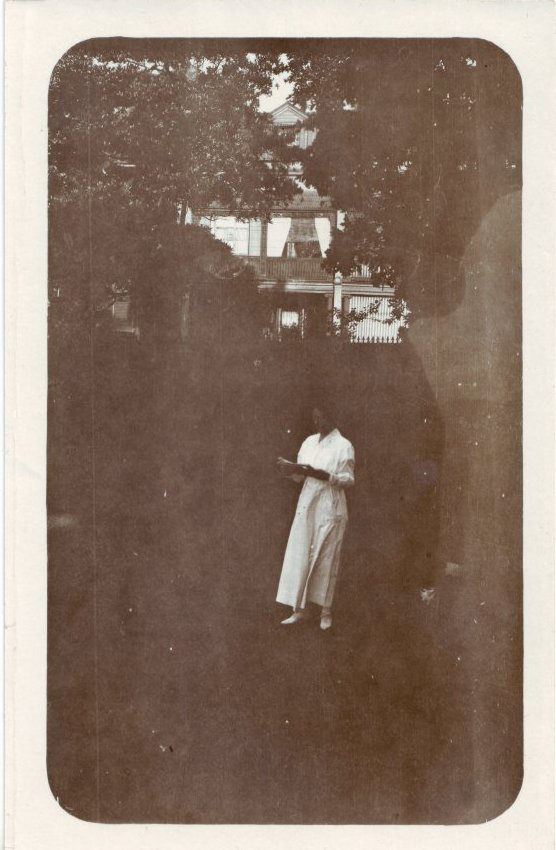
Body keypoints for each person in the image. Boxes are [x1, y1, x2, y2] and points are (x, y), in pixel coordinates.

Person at [276, 404, 355, 630]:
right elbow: (300, 477)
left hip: (330, 504)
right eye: (315, 417)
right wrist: (291, 470)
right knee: (302, 553)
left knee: (326, 555)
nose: (318, 422)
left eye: (322, 417)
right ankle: (299, 609)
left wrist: (322, 474)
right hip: (308, 503)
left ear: (332, 417)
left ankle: (325, 611)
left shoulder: (344, 445)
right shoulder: (309, 442)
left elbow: (349, 479)